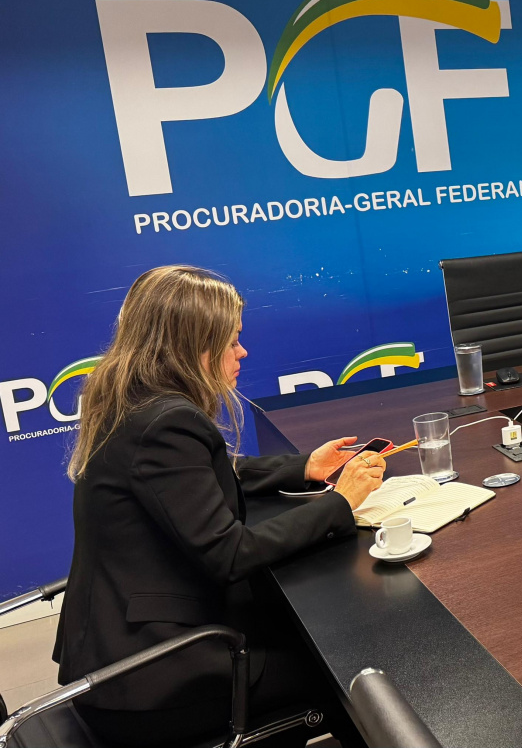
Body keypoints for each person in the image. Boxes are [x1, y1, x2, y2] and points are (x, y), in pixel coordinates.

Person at [52, 265, 386, 748]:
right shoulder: (166, 422)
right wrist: (340, 503)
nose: (242, 352)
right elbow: (230, 555)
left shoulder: (133, 399)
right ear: (195, 348)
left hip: (118, 651)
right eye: (232, 342)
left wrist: (305, 467)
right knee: (349, 662)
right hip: (152, 679)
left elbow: (198, 476)